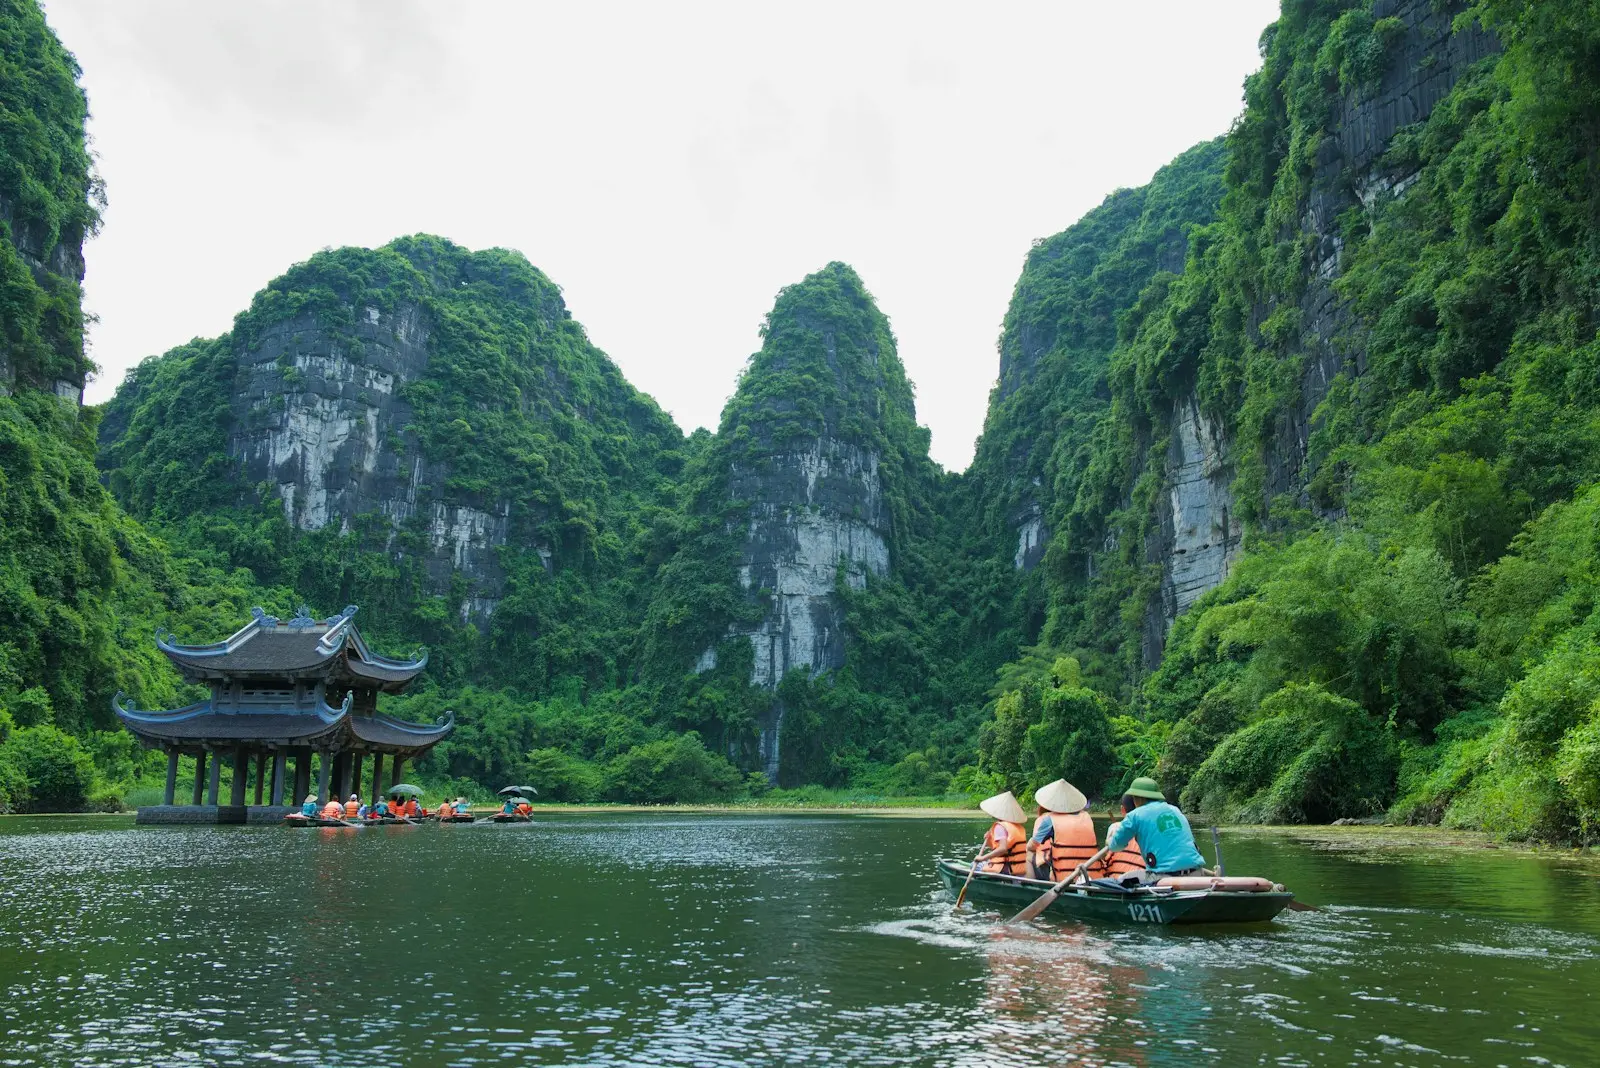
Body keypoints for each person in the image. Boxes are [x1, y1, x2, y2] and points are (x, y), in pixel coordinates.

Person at [1074, 778, 1206, 884]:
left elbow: (1115, 846)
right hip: (1198, 873)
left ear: (1137, 798)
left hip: (1163, 878)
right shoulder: (1175, 810)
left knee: (1120, 881)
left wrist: (1110, 840)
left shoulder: (1135, 815)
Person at [1026, 779, 1097, 882]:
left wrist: (1029, 847)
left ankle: (1030, 888)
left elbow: (1032, 846)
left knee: (1027, 854)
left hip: (1064, 876)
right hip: (1089, 873)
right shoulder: (1086, 817)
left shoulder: (1049, 820)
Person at [976, 791, 1029, 876]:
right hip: (1019, 869)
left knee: (974, 865)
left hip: (1005, 869)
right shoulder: (1018, 827)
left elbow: (1002, 849)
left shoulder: (1000, 827)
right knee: (988, 862)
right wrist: (989, 840)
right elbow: (1003, 848)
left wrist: (983, 858)